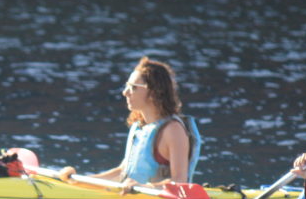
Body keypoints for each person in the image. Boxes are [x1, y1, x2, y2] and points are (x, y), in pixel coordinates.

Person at [58, 56, 202, 190]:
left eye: (133, 87)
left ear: (154, 92)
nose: (125, 92)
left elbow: (179, 182)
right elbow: (121, 172)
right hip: (131, 195)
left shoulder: (173, 130)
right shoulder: (139, 126)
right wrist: (78, 181)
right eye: (127, 86)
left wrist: (144, 187)